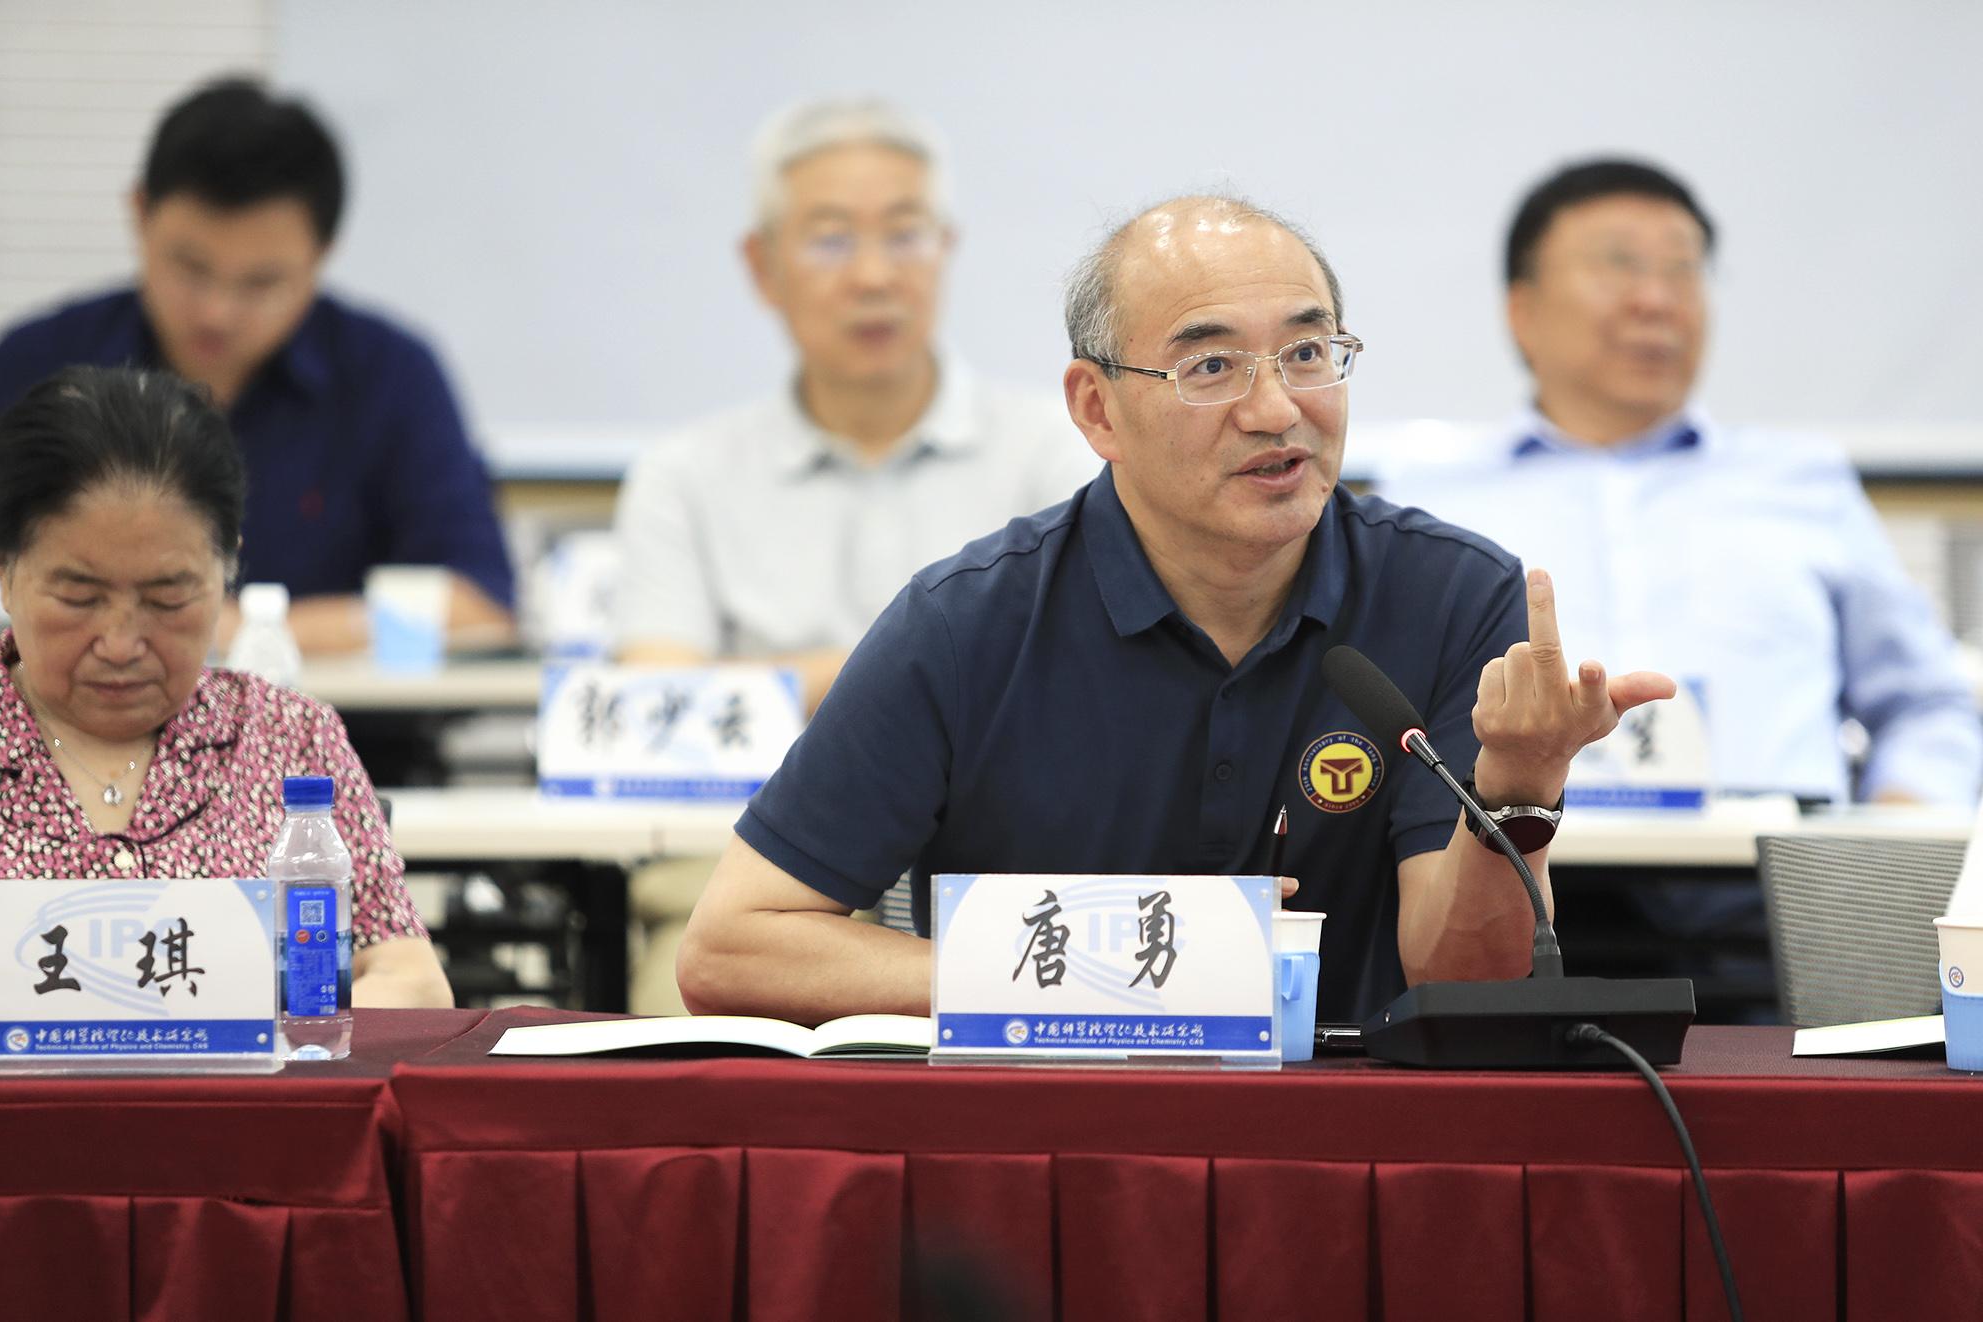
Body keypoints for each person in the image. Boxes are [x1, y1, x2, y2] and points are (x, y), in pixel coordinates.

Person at [676, 195, 1674, 1027]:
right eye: (1210, 367)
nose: (1276, 409)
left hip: (1349, 1136)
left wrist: (1518, 788)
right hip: (1039, 1138)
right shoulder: (968, 621)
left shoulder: (1450, 596)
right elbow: (731, 947)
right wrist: (1105, 973)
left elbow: (1465, 985)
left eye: (1307, 353)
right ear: (1096, 408)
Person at [1376, 158, 1982, 808]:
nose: (1656, 301)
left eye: (1682, 270)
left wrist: (1890, 833)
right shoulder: (1427, 499)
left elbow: (1929, 705)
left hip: (1771, 859)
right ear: (1523, 311)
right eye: (1619, 266)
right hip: (1504, 851)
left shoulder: (1803, 482)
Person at [0, 78, 516, 656]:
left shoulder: (392, 378)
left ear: (322, 254)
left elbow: (478, 604)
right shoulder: (36, 364)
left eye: (261, 283)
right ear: (139, 214)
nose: (217, 312)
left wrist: (247, 632)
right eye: (191, 267)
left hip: (335, 712)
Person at [0, 366, 452, 1007]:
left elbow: (411, 982)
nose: (120, 643)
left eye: (167, 598)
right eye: (79, 597)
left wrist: (252, 1033)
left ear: (227, 567)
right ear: (3, 569)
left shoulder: (289, 740)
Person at [611, 98, 1096, 716]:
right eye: (831, 241)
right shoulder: (683, 476)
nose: (872, 276)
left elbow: (1085, 676)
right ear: (762, 267)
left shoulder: (1060, 450)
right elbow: (657, 703)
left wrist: (771, 685)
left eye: (905, 235)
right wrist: (947, 666)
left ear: (946, 248)